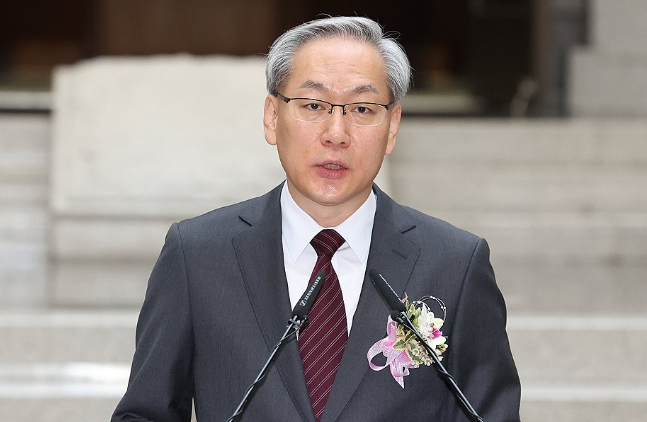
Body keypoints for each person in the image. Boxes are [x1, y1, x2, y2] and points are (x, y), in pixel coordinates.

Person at [112, 16, 521, 422]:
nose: (336, 133)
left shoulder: (455, 264)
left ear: (392, 127)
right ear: (272, 117)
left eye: (362, 108)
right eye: (312, 105)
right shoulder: (198, 255)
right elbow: (145, 413)